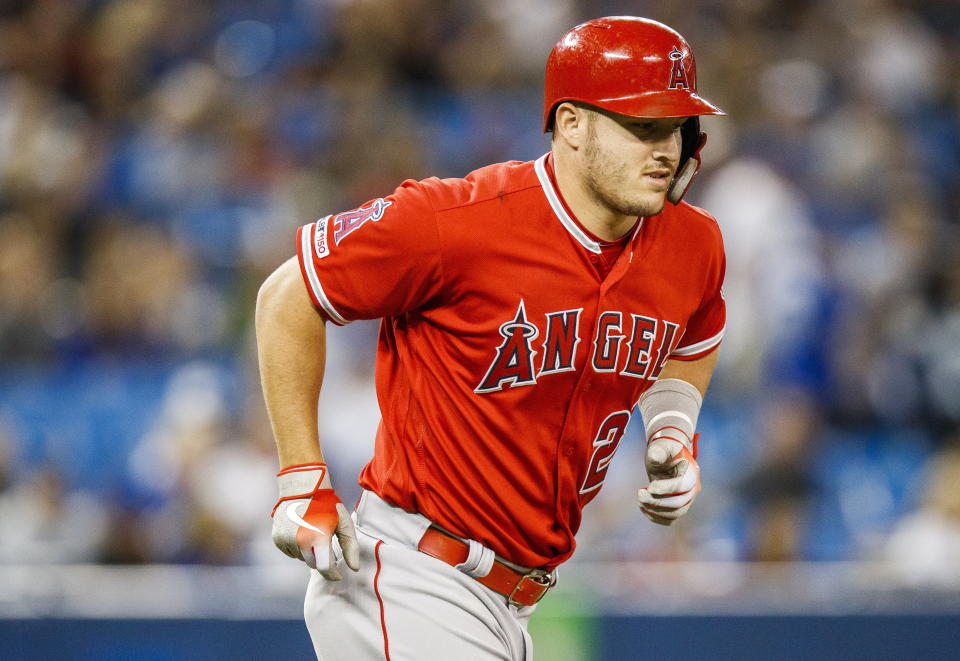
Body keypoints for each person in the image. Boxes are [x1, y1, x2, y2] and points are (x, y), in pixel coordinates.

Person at [256, 16, 726, 661]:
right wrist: (301, 477)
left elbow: (695, 333)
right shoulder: (456, 221)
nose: (665, 148)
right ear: (571, 126)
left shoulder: (691, 244)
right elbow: (288, 297)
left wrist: (672, 425)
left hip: (513, 604)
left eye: (676, 126)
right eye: (641, 125)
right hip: (413, 576)